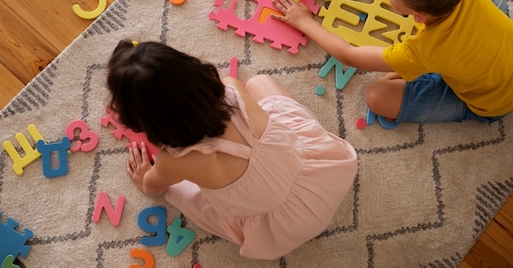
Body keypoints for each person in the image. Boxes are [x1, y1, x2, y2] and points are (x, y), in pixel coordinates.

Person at [106, 40, 358, 260]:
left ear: (145, 122)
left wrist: (144, 178)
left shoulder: (174, 160)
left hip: (282, 228)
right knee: (260, 82)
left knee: (180, 191)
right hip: (320, 176)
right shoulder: (232, 89)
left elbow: (153, 187)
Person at [274, 0, 513, 125]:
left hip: (493, 101)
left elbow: (350, 56)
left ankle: (461, 94)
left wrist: (304, 22)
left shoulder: (422, 49)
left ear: (418, 16)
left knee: (377, 97)